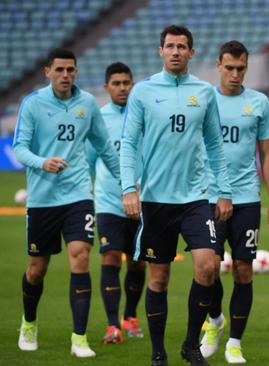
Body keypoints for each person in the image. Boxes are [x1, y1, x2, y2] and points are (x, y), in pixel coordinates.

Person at [120, 25, 232, 366]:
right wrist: (129, 188)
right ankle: (158, 352)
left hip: (197, 198)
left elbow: (214, 144)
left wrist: (223, 191)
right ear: (160, 51)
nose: (175, 52)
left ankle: (190, 344)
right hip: (155, 199)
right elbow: (128, 143)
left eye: (182, 46)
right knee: (159, 276)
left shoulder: (205, 92)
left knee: (208, 267)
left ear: (192, 53)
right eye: (170, 46)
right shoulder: (143, 92)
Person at [13, 48, 120, 357]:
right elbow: (19, 148)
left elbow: (104, 148)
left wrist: (127, 187)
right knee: (37, 268)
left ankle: (79, 338)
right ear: (48, 72)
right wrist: (41, 162)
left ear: (76, 72)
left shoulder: (87, 103)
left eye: (70, 70)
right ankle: (29, 323)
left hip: (77, 195)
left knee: (81, 256)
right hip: (43, 198)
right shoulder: (33, 104)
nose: (65, 75)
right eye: (59, 70)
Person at [199, 40, 269, 364]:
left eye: (241, 68)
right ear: (219, 65)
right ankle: (215, 320)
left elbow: (268, 154)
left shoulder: (259, 103)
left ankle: (234, 342)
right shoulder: (204, 101)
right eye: (229, 68)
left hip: (247, 197)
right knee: (207, 269)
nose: (235, 74)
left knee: (243, 270)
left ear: (246, 67)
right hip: (207, 196)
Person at [86, 62, 146, 344]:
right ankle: (113, 326)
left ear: (132, 85)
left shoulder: (144, 116)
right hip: (109, 202)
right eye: (117, 83)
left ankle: (130, 316)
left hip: (143, 203)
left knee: (138, 264)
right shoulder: (98, 119)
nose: (123, 88)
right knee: (110, 257)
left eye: (127, 83)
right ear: (107, 87)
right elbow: (88, 163)